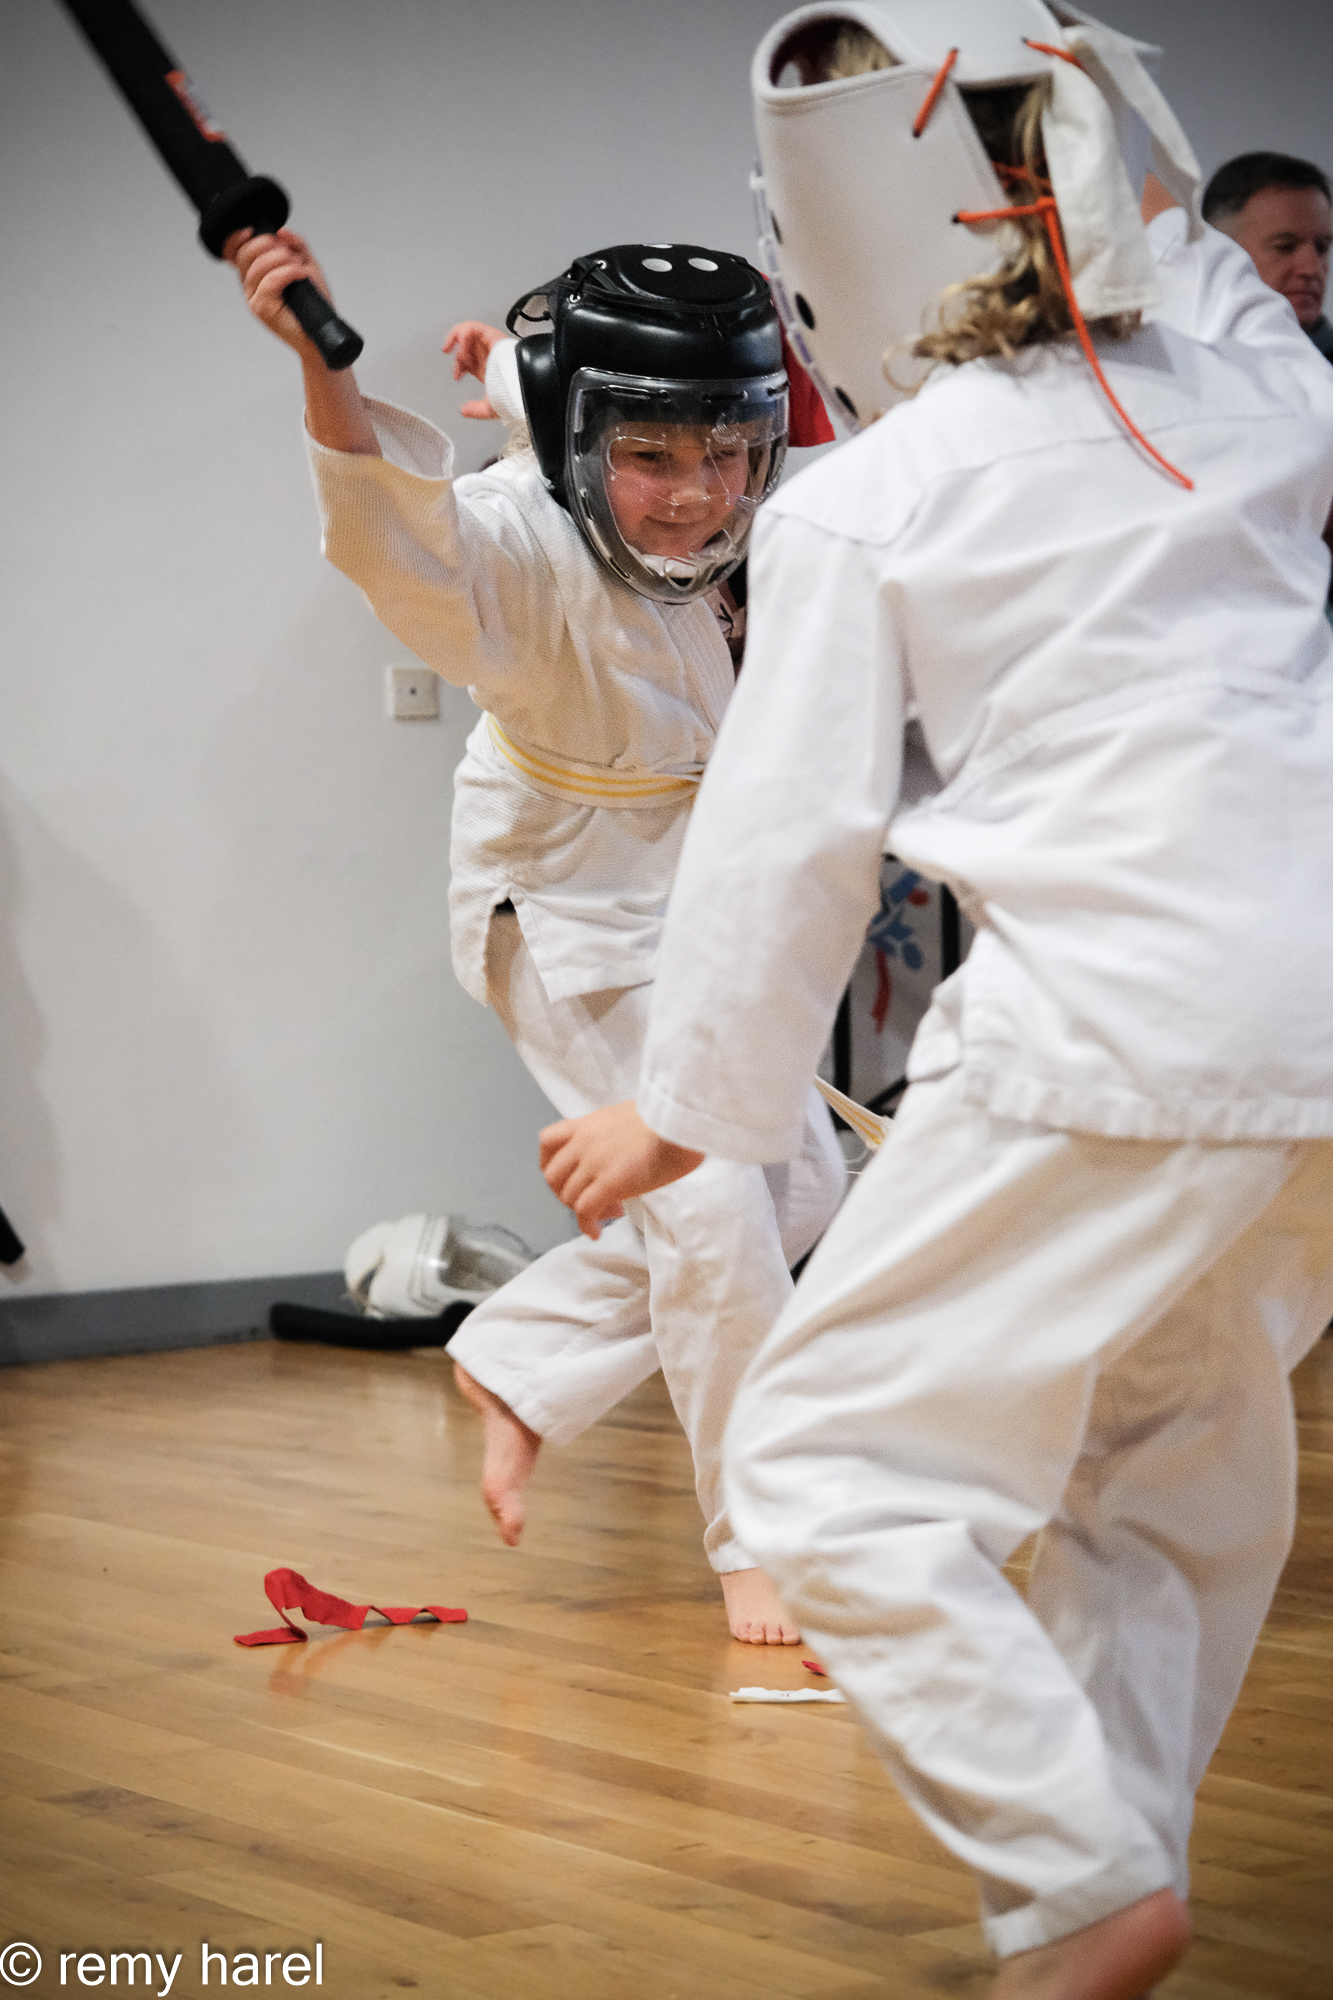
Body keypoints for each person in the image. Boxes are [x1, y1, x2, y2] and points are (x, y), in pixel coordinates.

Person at [538, 3, 1333, 1993]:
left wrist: (683, 1109)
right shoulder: (1258, 399)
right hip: (1313, 1037)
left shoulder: (870, 496)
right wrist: (1049, 73)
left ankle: (1074, 1873)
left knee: (826, 1464)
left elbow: (785, 840)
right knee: (1170, 1455)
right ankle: (1097, 1884)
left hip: (1117, 1025)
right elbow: (1193, 251)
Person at [227, 226, 845, 1644]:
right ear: (580, 440)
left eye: (730, 452)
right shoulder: (516, 539)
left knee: (805, 1193)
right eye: (652, 458)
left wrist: (498, 356)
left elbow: (556, 383)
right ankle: (758, 1542)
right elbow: (388, 525)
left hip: (699, 887)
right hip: (563, 898)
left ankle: (515, 1358)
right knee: (712, 1207)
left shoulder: (697, 479)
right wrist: (326, 367)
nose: (696, 495)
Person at [1203, 151, 1333, 359]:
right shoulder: (1168, 358)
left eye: (1322, 248)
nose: (1312, 269)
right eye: (1285, 247)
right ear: (1218, 251)